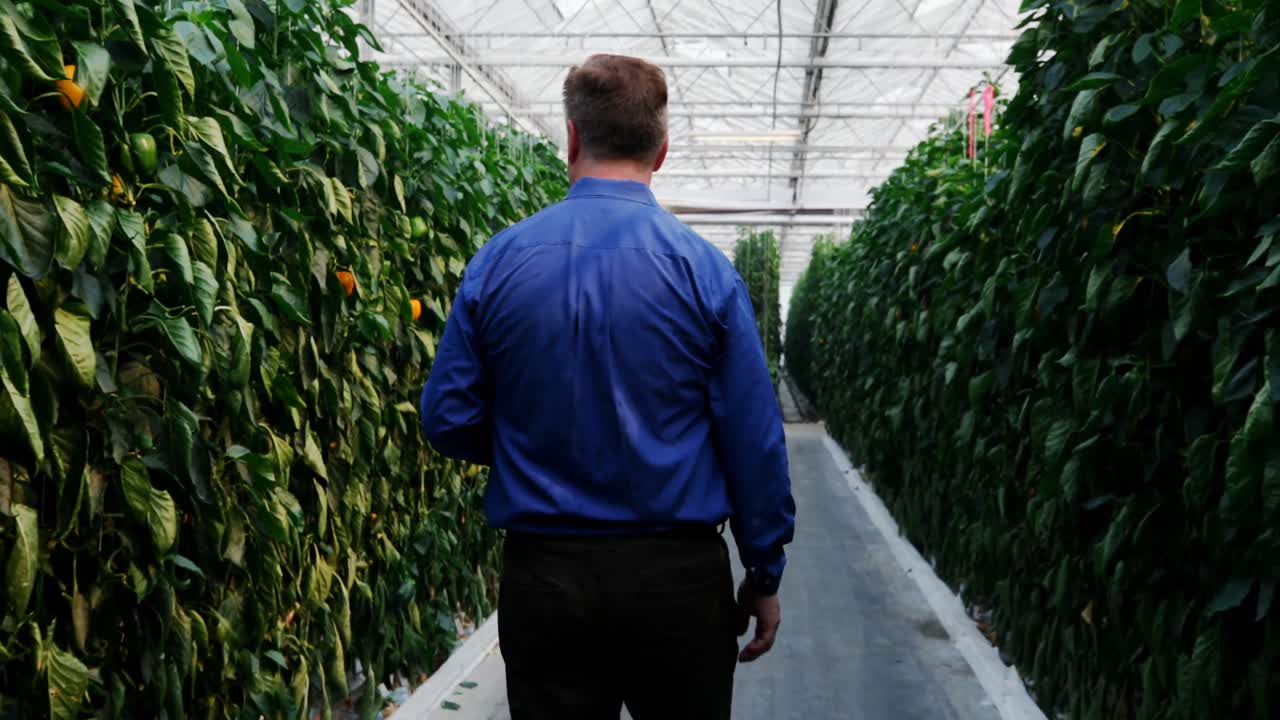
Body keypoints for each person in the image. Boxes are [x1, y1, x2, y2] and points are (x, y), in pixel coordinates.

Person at [419, 53, 795, 720]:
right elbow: (753, 441)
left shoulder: (499, 263)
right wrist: (762, 573)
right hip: (678, 583)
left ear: (571, 138)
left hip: (547, 578)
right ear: (662, 150)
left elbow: (447, 417)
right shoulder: (704, 273)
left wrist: (530, 444)